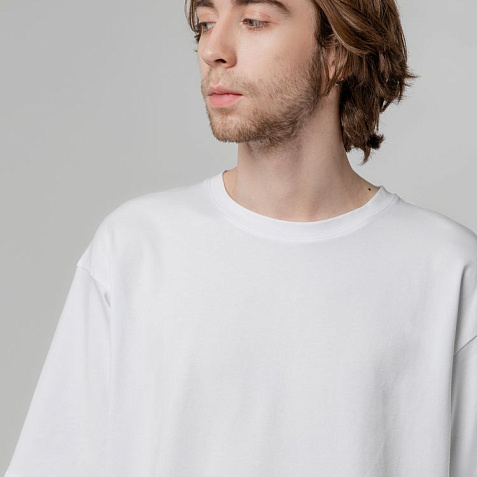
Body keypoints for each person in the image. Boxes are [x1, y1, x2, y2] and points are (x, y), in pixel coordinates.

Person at [4, 0, 476, 475]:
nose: (214, 49)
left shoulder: (446, 270)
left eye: (254, 21)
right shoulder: (135, 250)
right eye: (205, 24)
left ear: (338, 53)